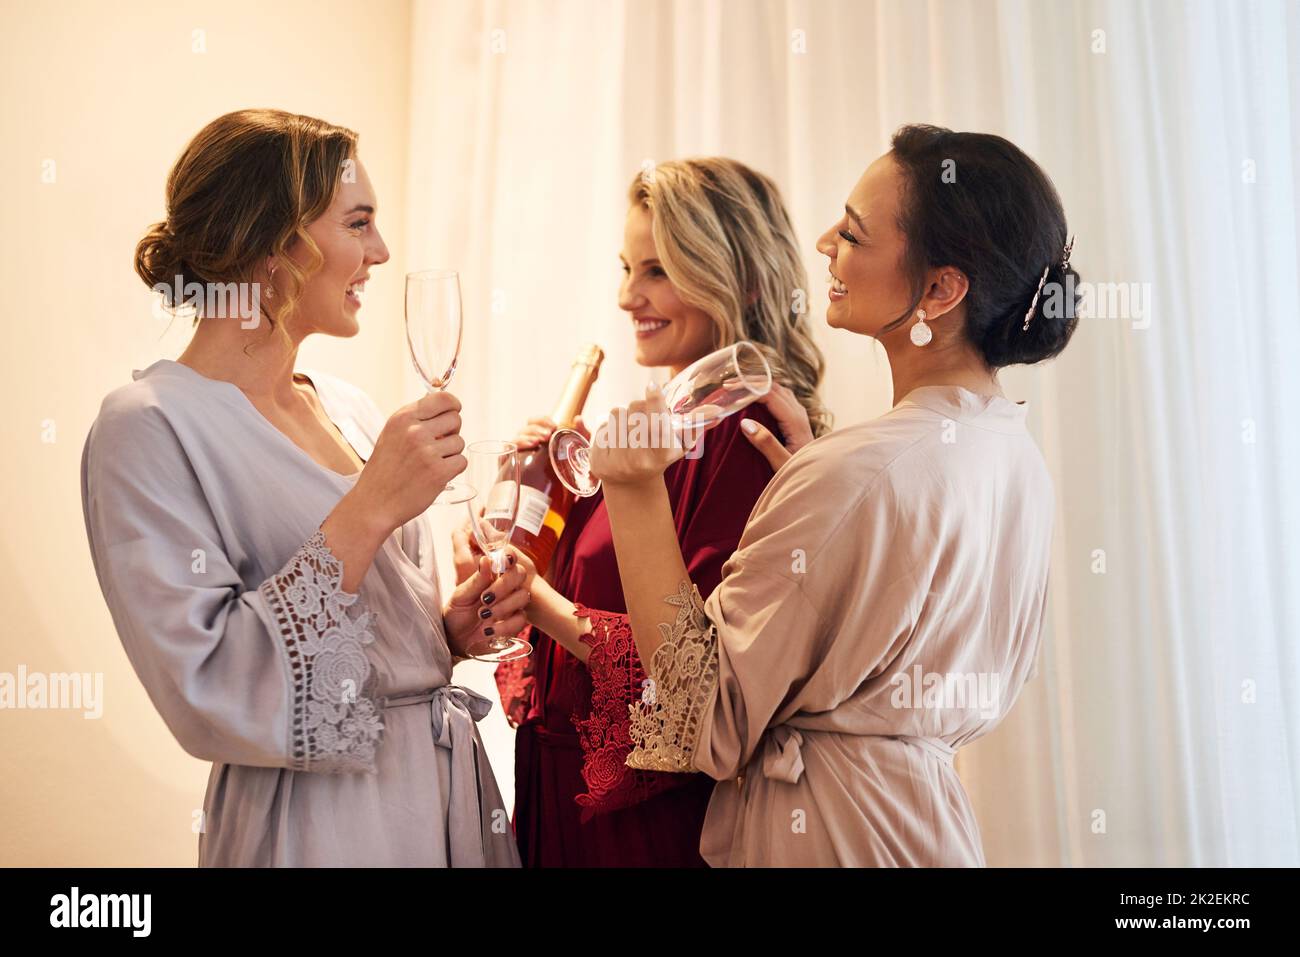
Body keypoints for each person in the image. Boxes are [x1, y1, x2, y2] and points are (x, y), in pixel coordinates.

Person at [588, 124, 1080, 866]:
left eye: (852, 233)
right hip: (924, 828)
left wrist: (631, 486)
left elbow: (701, 720)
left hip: (829, 839)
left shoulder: (859, 470)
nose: (822, 243)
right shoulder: (1012, 453)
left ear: (942, 288)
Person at [82, 109, 524, 867]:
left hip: (447, 794)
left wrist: (445, 633)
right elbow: (208, 685)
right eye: (359, 223)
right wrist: (373, 503)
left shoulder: (347, 406)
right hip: (319, 826)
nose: (381, 251)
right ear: (273, 244)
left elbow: (365, 632)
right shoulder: (148, 428)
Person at [465, 158, 829, 866]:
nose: (629, 295)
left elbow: (697, 681)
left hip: (647, 828)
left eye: (659, 270)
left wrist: (536, 603)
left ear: (742, 279)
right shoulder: (663, 431)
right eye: (628, 267)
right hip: (566, 798)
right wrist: (533, 532)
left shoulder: (744, 435)